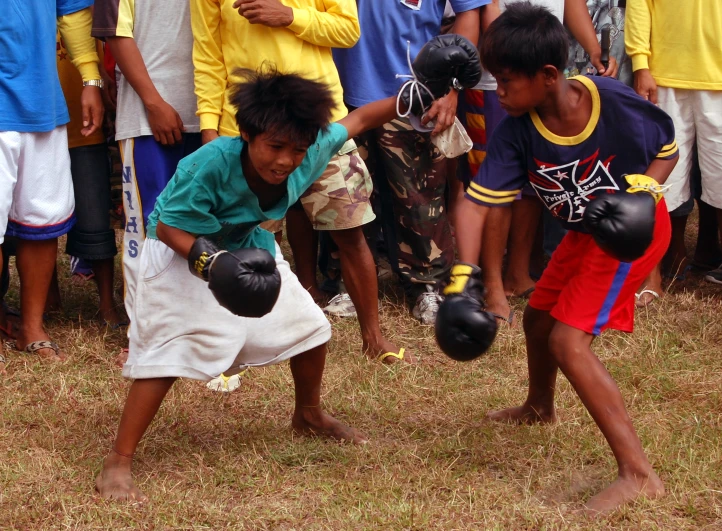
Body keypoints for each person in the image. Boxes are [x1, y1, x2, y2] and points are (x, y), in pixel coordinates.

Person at [94, 62, 469, 501]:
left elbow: (361, 118)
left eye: (297, 149)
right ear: (248, 135)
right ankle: (117, 461)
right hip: (179, 253)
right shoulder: (209, 165)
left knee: (311, 328)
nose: (286, 160)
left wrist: (416, 96)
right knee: (168, 355)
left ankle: (308, 415)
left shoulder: (310, 150)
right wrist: (212, 265)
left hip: (247, 245)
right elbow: (172, 228)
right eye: (274, 146)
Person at [442, 3, 678, 512]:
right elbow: (475, 203)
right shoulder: (517, 128)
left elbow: (670, 148)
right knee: (538, 320)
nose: (498, 92)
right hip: (583, 232)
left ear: (549, 75)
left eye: (506, 81)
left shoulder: (611, 101)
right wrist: (463, 278)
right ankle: (539, 406)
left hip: (628, 235)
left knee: (570, 342)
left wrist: (645, 195)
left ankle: (639, 473)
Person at [191, 0, 411, 366]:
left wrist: (290, 15)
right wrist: (210, 129)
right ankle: (231, 348)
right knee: (242, 245)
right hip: (250, 132)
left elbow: (347, 30)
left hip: (321, 127)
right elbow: (208, 55)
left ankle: (373, 338)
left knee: (350, 234)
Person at [333, 0, 489, 326]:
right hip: (341, 84)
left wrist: (451, 86)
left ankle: (428, 285)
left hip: (417, 89)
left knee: (421, 196)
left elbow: (469, 14)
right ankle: (352, 282)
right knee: (348, 192)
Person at [464, 0, 620, 322]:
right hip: (510, 61)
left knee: (540, 181)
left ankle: (519, 274)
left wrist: (593, 47)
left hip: (537, 64)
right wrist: (463, 277)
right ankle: (493, 284)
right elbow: (477, 204)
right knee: (499, 192)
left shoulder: (604, 98)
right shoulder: (508, 108)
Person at [626, 0, 722, 309]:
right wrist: (641, 64)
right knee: (656, 183)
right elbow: (639, 5)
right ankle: (650, 277)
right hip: (663, 78)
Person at [92, 0, 202, 351]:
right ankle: (147, 332)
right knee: (150, 226)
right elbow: (116, 34)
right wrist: (153, 102)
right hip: (147, 117)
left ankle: (197, 324)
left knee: (202, 223)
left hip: (212, 113)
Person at [0, 0, 103, 367]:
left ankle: (32, 327)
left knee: (40, 221)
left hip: (42, 102)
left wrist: (90, 79)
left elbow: (72, 13)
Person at [57, 33, 122, 327]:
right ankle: (49, 299)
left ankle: (107, 303)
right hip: (31, 120)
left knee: (95, 211)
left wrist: (96, 82)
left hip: (84, 119)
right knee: (31, 220)